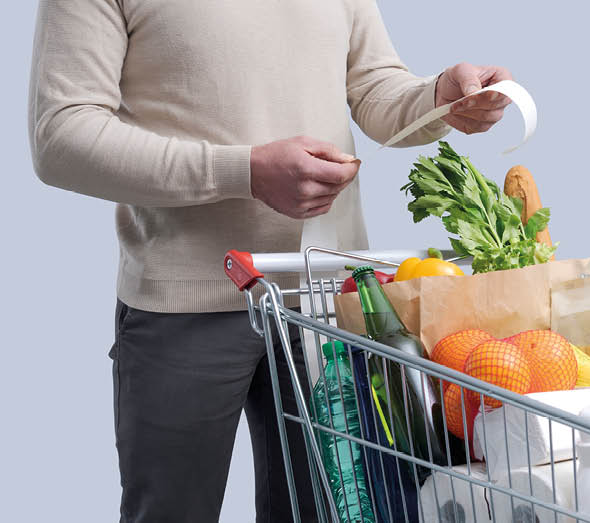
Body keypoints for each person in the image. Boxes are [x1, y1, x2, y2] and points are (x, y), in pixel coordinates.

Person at [28, 1, 512, 521]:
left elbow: (373, 86)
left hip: (326, 306)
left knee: (325, 512)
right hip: (183, 307)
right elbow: (62, 135)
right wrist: (246, 172)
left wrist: (439, 97)